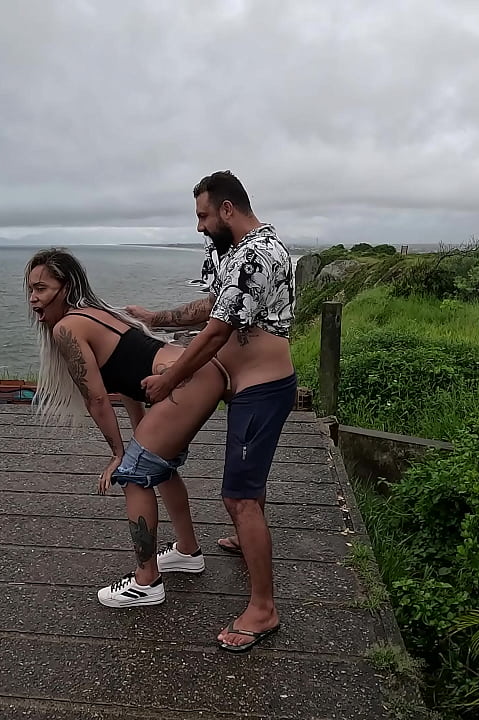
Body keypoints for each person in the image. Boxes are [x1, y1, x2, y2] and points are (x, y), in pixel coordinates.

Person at [130, 170, 297, 653]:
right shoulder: (234, 254)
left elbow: (220, 329)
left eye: (204, 215)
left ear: (228, 209)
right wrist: (154, 318)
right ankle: (248, 542)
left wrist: (170, 378)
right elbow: (212, 306)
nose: (200, 226)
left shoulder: (259, 254)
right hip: (249, 387)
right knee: (249, 488)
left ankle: (262, 609)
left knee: (238, 498)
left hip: (262, 390)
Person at [25, 248, 232, 609]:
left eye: (41, 288)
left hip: (186, 380)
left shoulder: (66, 327)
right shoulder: (97, 313)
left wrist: (120, 455)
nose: (33, 299)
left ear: (66, 286)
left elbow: (97, 400)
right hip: (198, 374)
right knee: (158, 467)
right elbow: (126, 381)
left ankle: (146, 581)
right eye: (30, 290)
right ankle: (187, 551)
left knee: (134, 474)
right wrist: (137, 439)